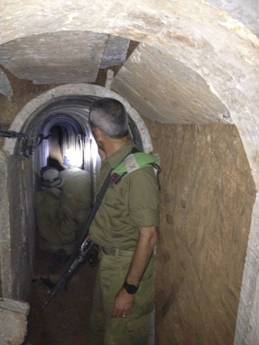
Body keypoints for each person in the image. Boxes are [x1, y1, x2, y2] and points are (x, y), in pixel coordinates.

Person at [88, 98, 160, 345]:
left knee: (121, 333)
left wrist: (129, 289)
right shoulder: (113, 160)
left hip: (126, 266)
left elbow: (149, 236)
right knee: (102, 324)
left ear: (98, 133)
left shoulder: (139, 173)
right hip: (108, 261)